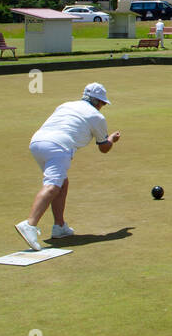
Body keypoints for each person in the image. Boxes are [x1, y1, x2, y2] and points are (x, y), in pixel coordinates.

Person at [16, 82, 121, 250]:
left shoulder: (66, 105)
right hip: (59, 146)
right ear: (96, 101)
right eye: (102, 103)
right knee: (53, 185)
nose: (102, 106)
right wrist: (112, 140)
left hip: (37, 142)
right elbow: (104, 148)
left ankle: (59, 226)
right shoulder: (97, 117)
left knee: (62, 182)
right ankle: (30, 224)